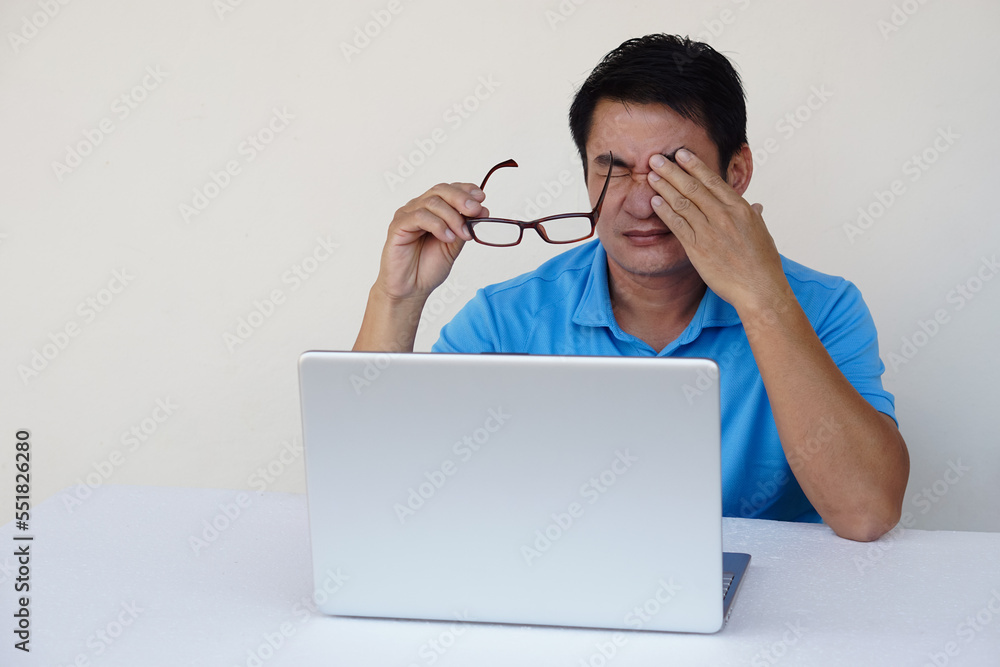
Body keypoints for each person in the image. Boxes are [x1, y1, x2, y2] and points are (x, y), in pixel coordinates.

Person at [354, 34, 909, 542]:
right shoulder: (507, 319)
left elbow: (866, 513)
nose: (641, 204)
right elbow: (374, 492)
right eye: (613, 169)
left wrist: (762, 301)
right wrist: (396, 299)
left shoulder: (824, 307)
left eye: (672, 168)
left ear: (735, 173)